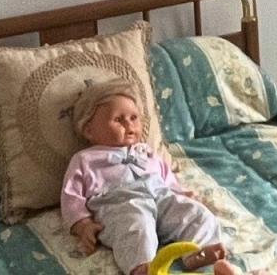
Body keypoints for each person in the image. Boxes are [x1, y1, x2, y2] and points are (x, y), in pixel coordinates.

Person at [62, 79, 236, 275]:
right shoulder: (85, 159)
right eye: (118, 120)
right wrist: (83, 224)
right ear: (89, 130)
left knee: (195, 213)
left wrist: (180, 194)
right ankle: (144, 267)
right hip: (121, 204)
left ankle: (199, 251)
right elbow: (71, 196)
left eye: (134, 117)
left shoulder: (146, 151)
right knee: (136, 225)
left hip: (160, 196)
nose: (129, 124)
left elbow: (165, 176)